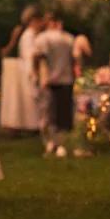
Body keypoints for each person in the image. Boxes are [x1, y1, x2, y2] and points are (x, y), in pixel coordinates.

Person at [33, 12, 76, 157]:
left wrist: (37, 75)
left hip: (48, 81)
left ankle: (50, 144)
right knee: (63, 115)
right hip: (66, 80)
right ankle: (61, 145)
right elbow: (75, 59)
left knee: (47, 114)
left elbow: (39, 58)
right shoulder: (69, 39)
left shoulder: (42, 38)